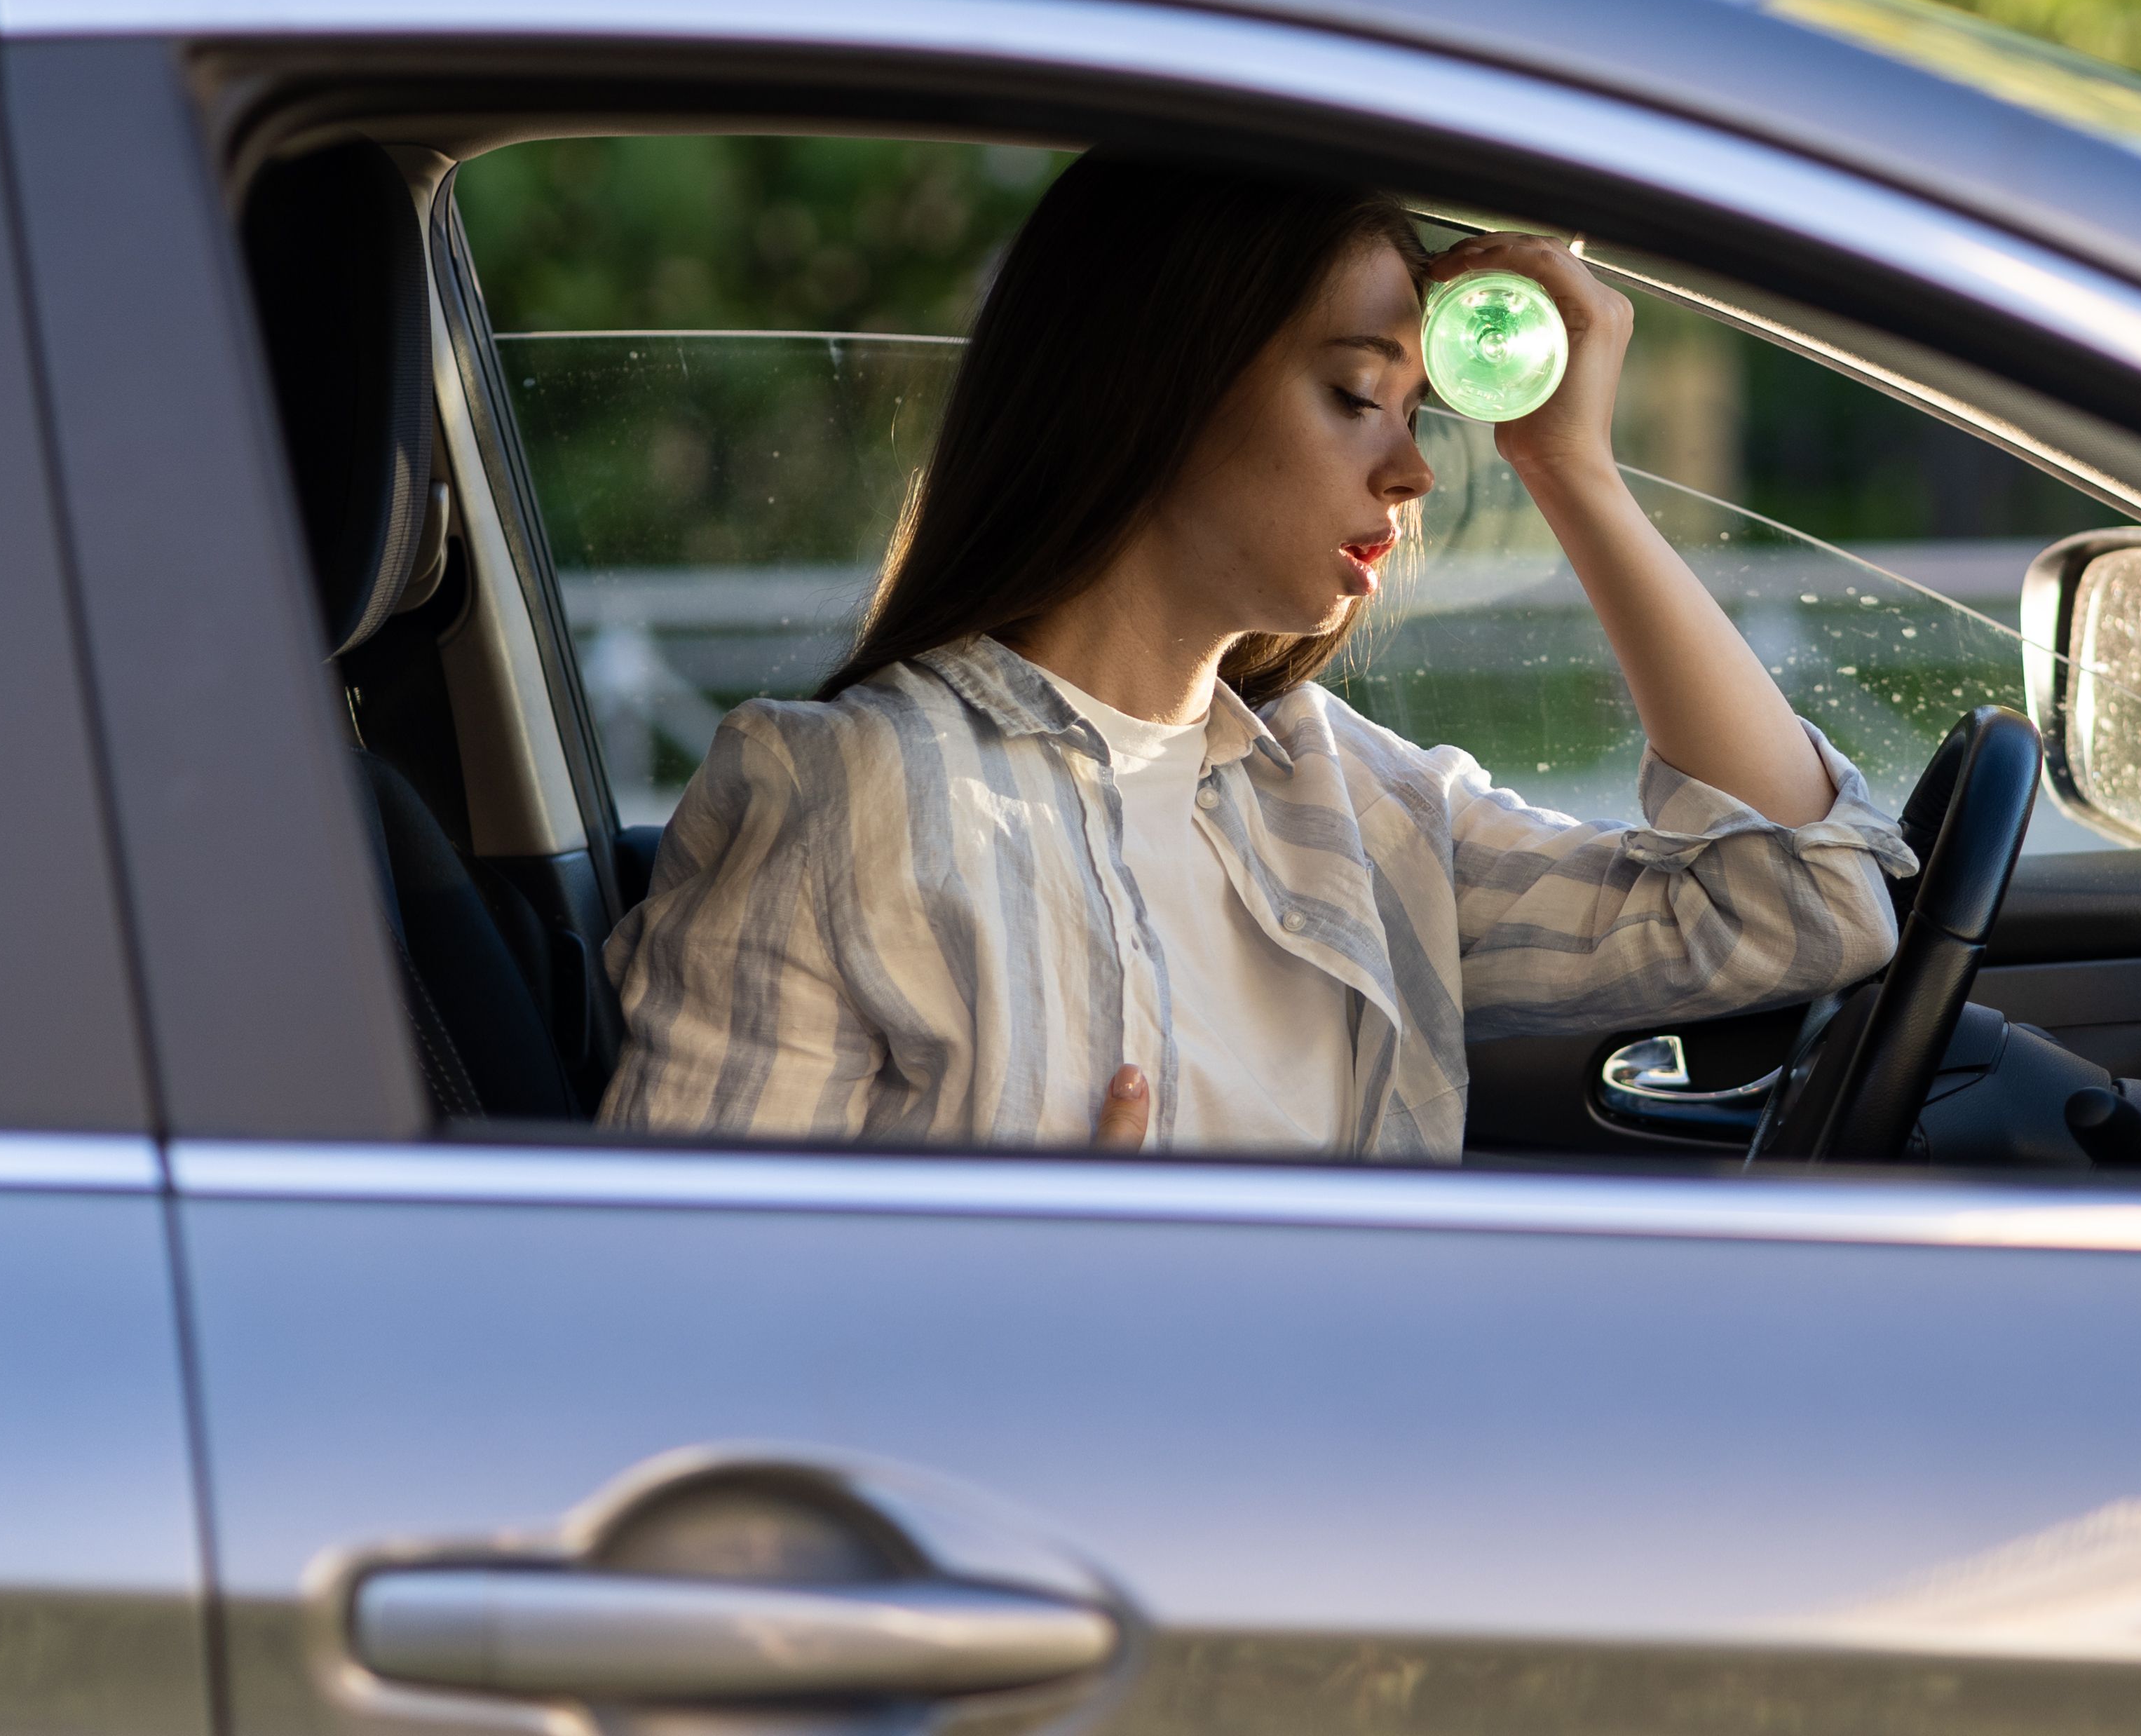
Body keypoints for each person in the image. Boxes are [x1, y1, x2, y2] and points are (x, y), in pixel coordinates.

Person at [599, 150, 1910, 1160]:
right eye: (1354, 396)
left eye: (1418, 413)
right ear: (1157, 380)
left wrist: (1573, 470)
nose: (1411, 473)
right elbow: (662, 1322)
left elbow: (1798, 907)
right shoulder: (855, 794)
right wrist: (1031, 1288)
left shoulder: (1352, 804)